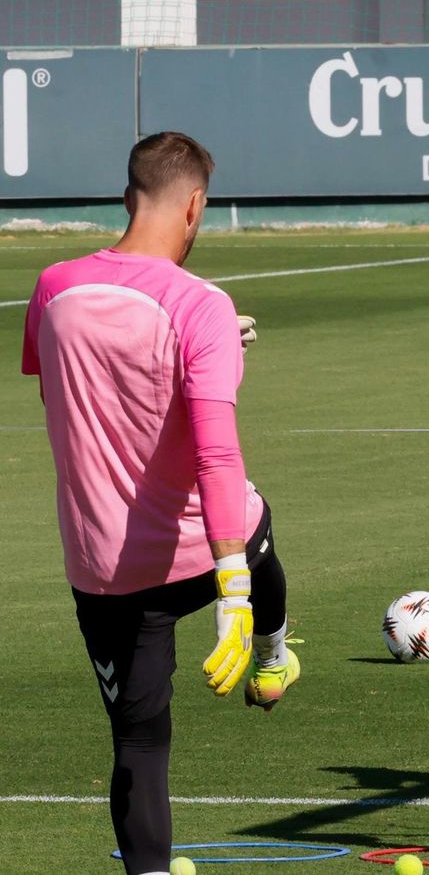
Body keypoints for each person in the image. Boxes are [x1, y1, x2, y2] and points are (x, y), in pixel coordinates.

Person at [20, 132, 299, 875]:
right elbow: (215, 451)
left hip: (105, 568)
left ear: (126, 198)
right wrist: (233, 588)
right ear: (196, 206)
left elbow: (59, 387)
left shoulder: (52, 285)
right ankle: (274, 654)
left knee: (140, 744)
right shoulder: (200, 303)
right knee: (254, 510)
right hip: (202, 551)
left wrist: (204, 350)